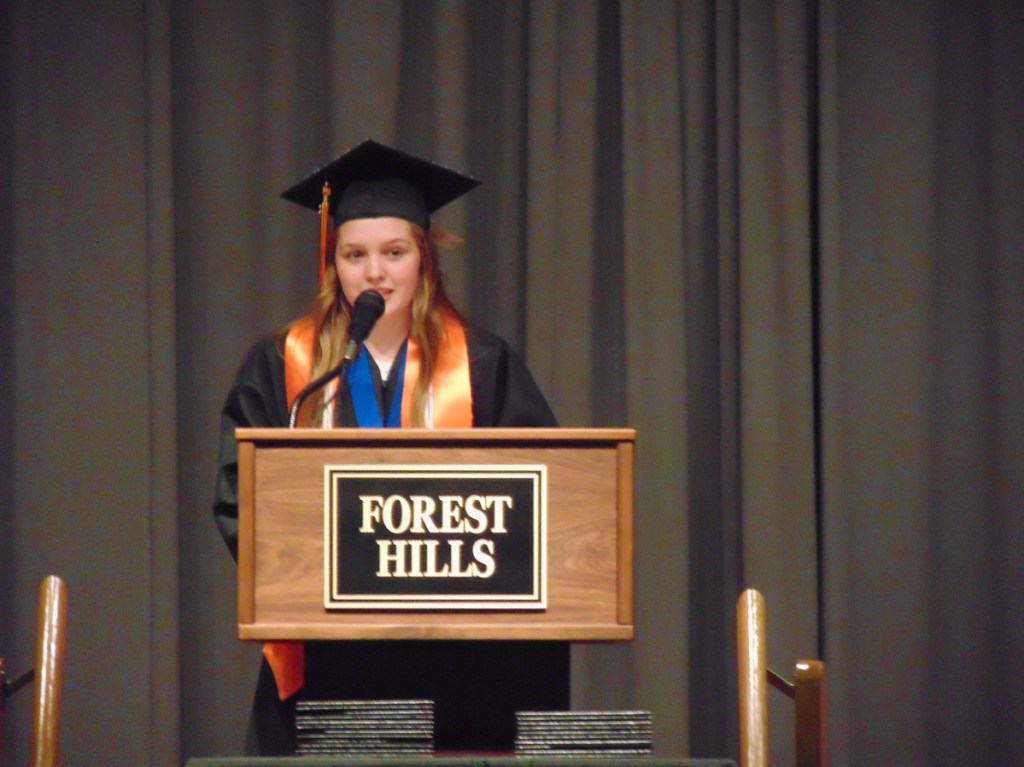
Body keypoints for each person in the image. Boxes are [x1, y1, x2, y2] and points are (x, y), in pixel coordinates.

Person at [213, 140, 569, 755]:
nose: (374, 273)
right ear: (334, 264)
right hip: (326, 660)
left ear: (424, 260)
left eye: (393, 253)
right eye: (355, 255)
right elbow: (238, 499)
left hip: (459, 664)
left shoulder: (483, 365)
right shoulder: (285, 368)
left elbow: (542, 498)